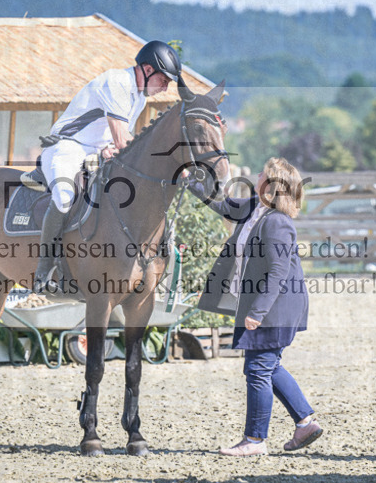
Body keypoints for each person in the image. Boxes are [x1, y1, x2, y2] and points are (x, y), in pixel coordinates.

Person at [191, 157, 321, 456]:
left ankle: (255, 440)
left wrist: (257, 312)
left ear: (272, 185)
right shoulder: (255, 208)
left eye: (262, 172)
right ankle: (305, 424)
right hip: (268, 305)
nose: (257, 174)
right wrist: (192, 182)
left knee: (258, 369)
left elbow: (278, 272)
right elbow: (223, 206)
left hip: (275, 308)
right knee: (269, 365)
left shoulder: (277, 223)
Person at [33, 40, 182, 293]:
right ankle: (44, 270)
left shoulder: (139, 98)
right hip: (66, 147)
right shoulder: (117, 82)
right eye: (164, 80)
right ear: (147, 70)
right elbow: (124, 141)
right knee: (65, 198)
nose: (166, 88)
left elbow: (117, 142)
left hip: (93, 151)